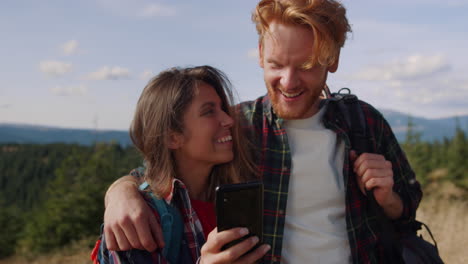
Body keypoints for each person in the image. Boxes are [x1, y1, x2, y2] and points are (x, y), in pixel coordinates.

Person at [103, 1, 423, 263]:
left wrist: (388, 198)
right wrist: (121, 192)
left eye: (307, 66)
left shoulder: (364, 122)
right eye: (276, 64)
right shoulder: (240, 126)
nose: (288, 82)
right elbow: (166, 171)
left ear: (333, 59)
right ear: (259, 53)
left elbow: (407, 211)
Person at [93, 66, 270, 263]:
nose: (228, 120)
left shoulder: (233, 198)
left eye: (222, 108)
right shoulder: (140, 219)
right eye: (209, 112)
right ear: (172, 137)